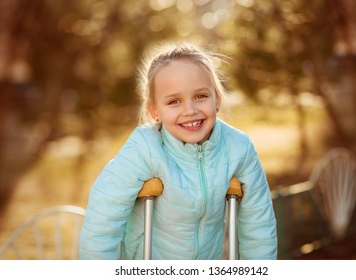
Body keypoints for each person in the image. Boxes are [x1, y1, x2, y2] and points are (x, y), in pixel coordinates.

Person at [79, 42, 277, 260]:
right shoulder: (144, 147)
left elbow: (259, 224)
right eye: (174, 101)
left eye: (201, 96)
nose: (190, 110)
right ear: (155, 110)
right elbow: (103, 220)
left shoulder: (238, 147)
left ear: (217, 98)